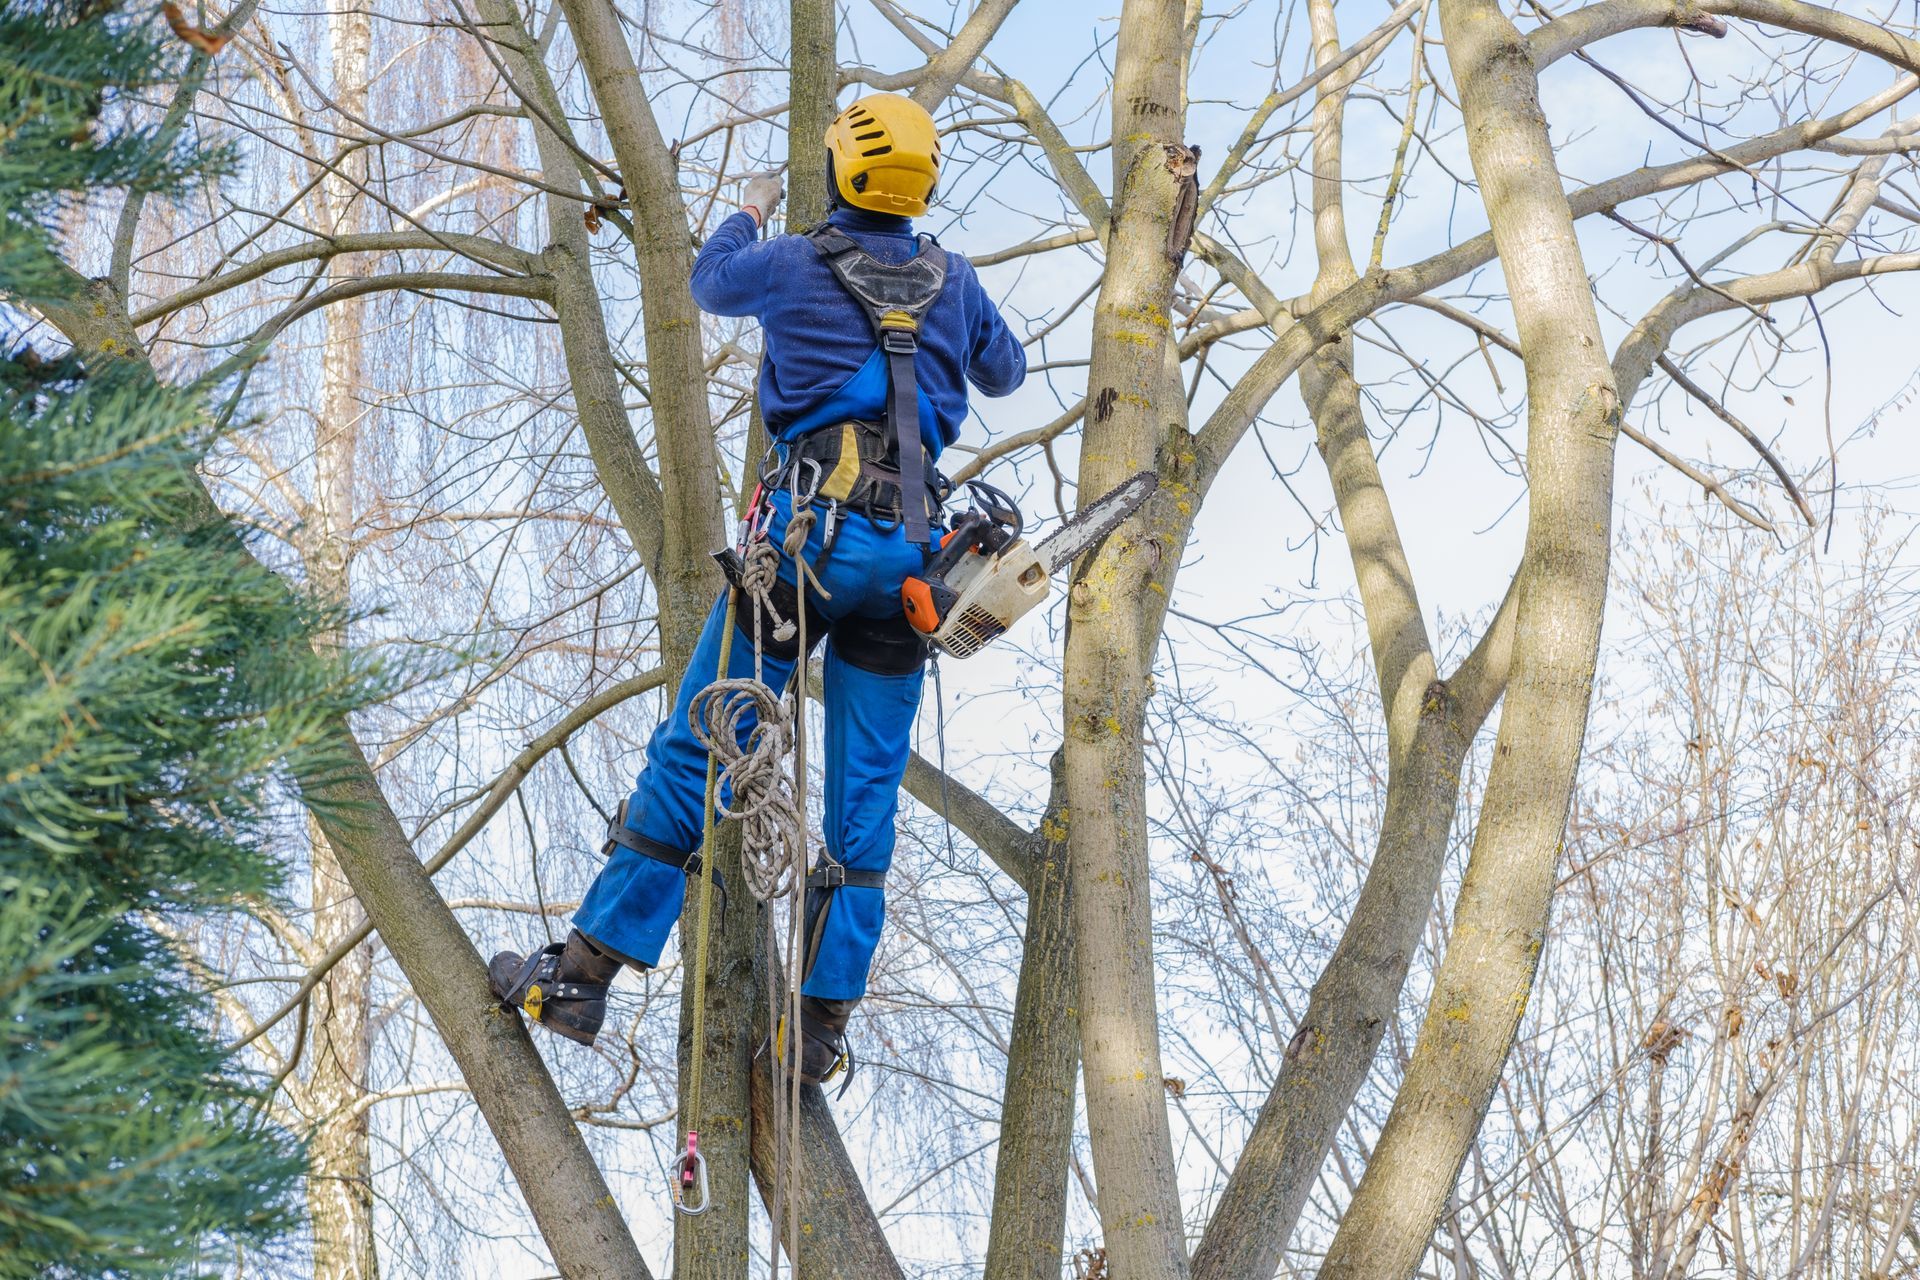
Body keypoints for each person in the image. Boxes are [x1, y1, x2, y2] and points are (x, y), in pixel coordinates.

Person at [489, 94, 1026, 1085]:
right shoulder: (956, 282)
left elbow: (709, 280)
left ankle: (582, 975)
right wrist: (952, 305)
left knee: (705, 738)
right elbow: (1007, 371)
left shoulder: (791, 262)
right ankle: (818, 1026)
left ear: (839, 175)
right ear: (923, 183)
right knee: (865, 797)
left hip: (808, 543)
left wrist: (746, 208)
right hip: (911, 565)